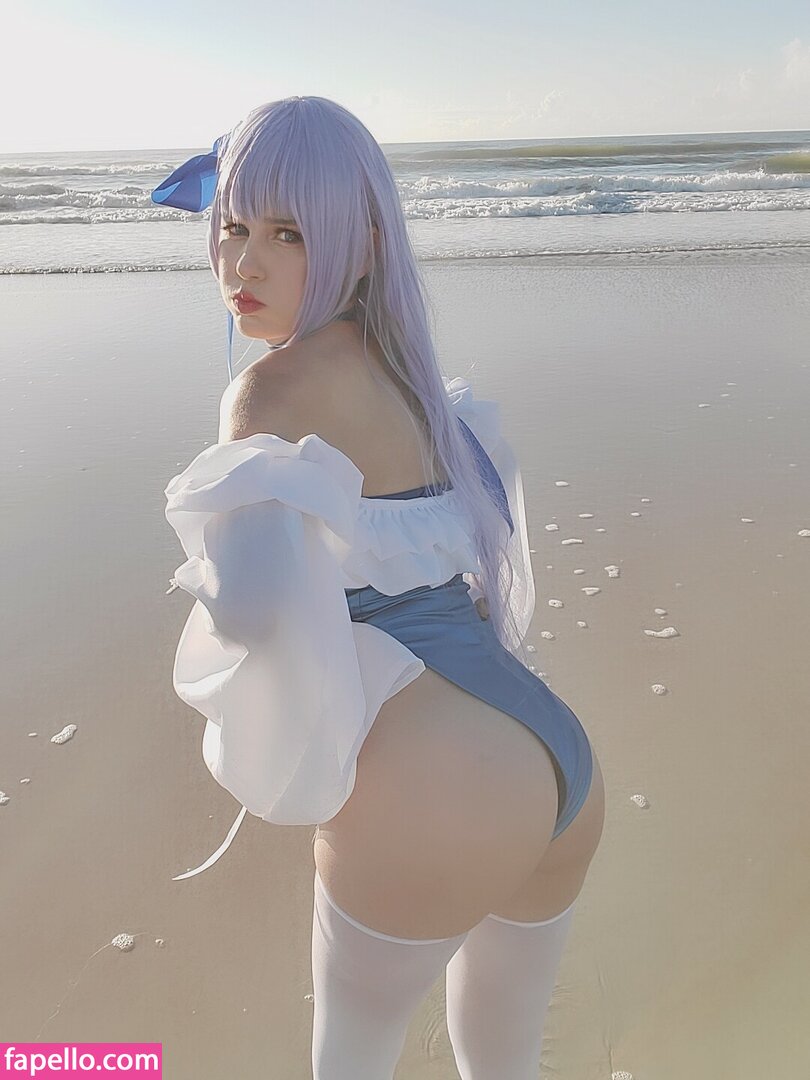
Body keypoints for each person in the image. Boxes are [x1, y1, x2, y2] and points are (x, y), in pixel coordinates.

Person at [156, 95, 605, 1080]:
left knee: (352, 1059)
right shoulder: (420, 383)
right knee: (503, 1061)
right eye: (234, 227)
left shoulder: (268, 392)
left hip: (433, 788)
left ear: (361, 242)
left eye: (288, 234)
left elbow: (254, 617)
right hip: (559, 759)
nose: (245, 265)